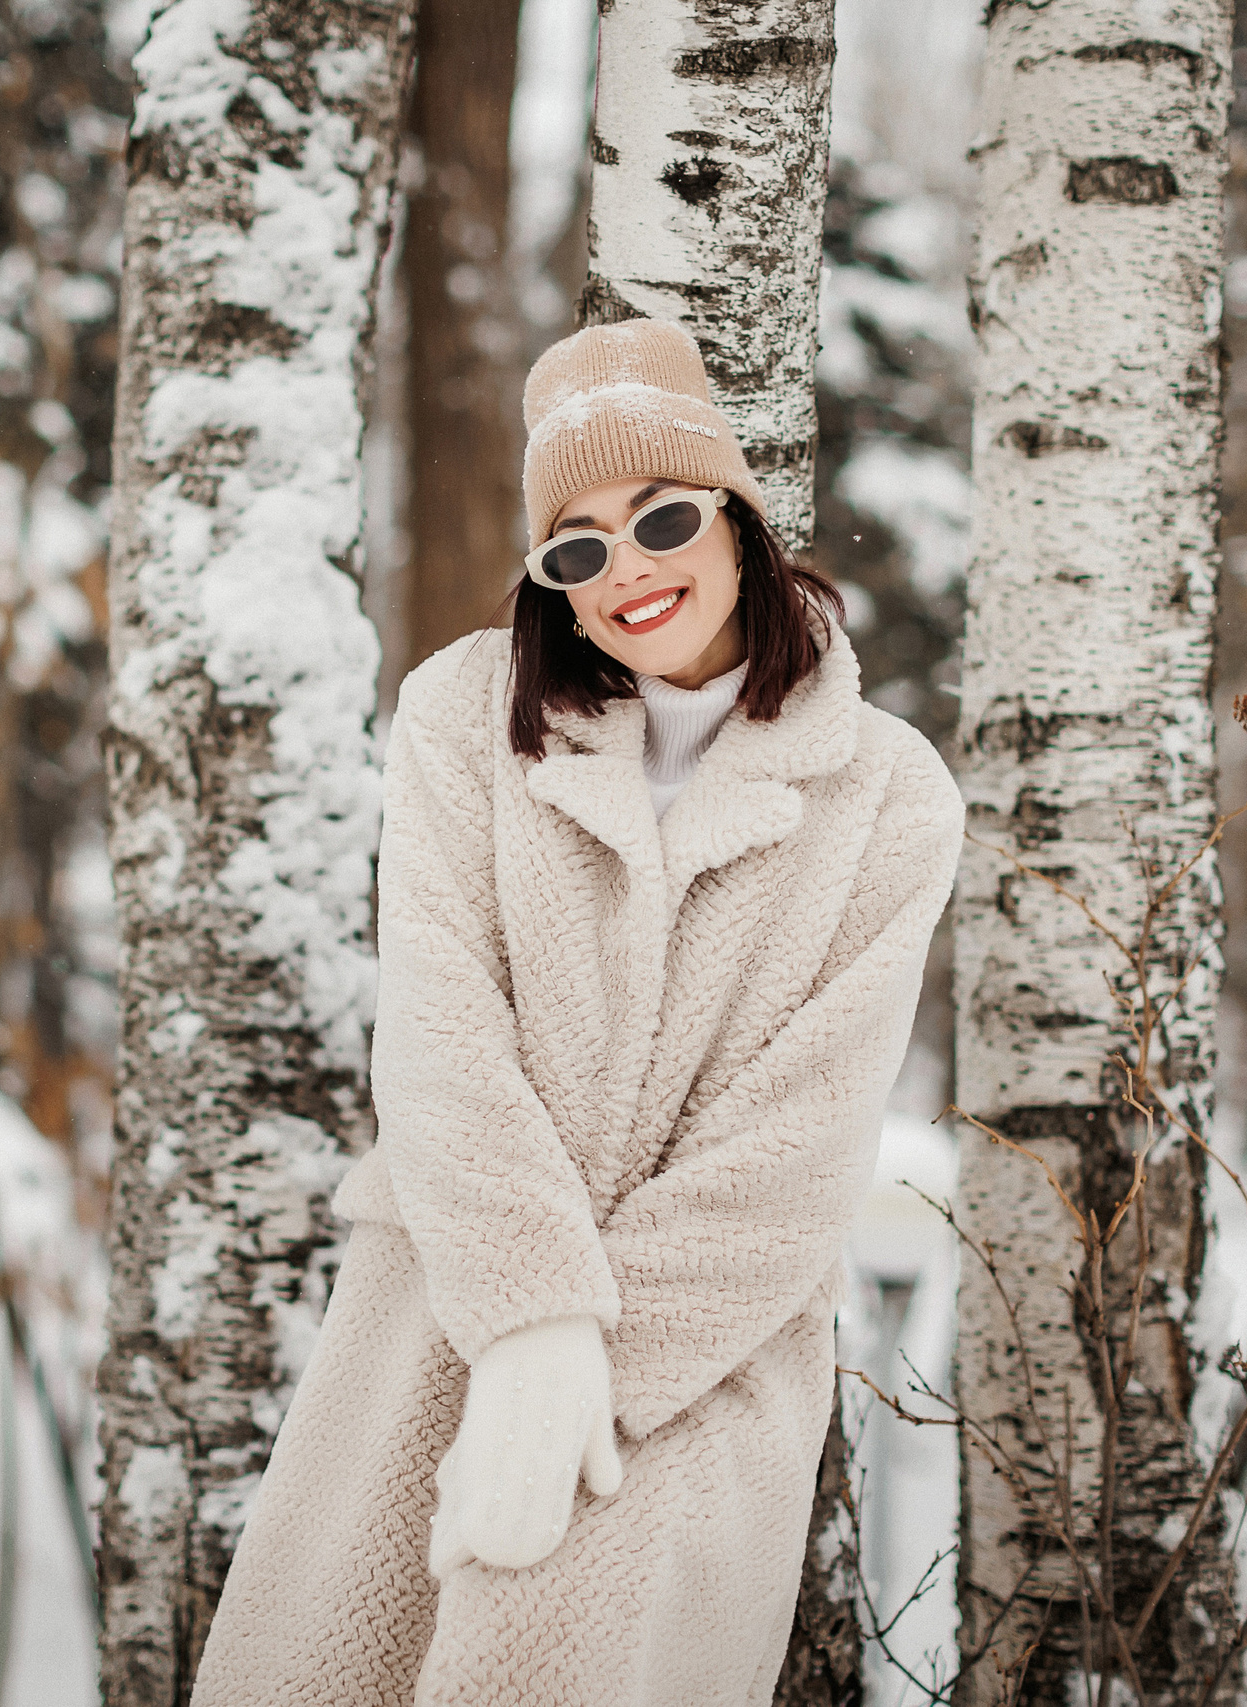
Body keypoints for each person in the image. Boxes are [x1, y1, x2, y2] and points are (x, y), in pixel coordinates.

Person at [193, 318, 962, 1706]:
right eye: (579, 546)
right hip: (445, 1302)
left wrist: (588, 1380)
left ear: (738, 515)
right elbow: (439, 1034)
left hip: (695, 1355)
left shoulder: (890, 793)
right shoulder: (462, 717)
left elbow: (802, 1142)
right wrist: (530, 1325)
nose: (629, 570)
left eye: (662, 514)